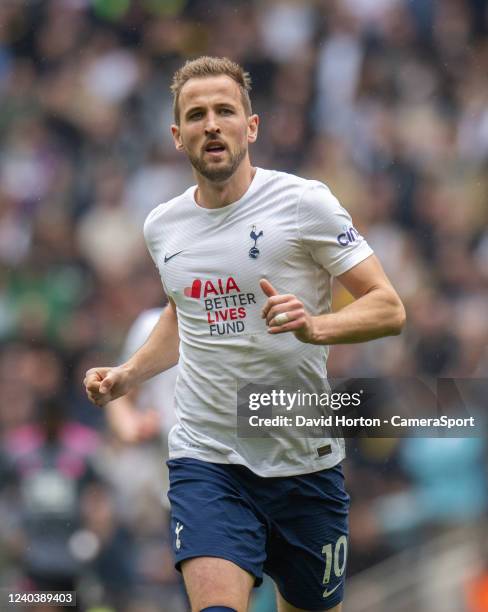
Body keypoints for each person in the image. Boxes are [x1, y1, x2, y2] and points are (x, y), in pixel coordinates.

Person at [84, 56, 406, 612]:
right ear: (177, 136)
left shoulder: (305, 203)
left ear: (250, 127)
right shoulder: (162, 225)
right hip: (208, 459)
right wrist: (127, 375)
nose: (211, 123)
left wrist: (316, 325)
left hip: (305, 460)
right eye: (197, 114)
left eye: (225, 111)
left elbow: (389, 307)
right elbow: (183, 312)